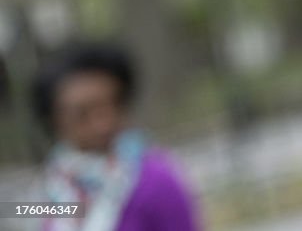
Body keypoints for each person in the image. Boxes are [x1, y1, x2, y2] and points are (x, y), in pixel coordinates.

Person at [31, 42, 201, 231]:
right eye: (82, 114)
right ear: (54, 119)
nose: (102, 124)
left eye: (111, 106)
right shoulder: (57, 186)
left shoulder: (155, 180)